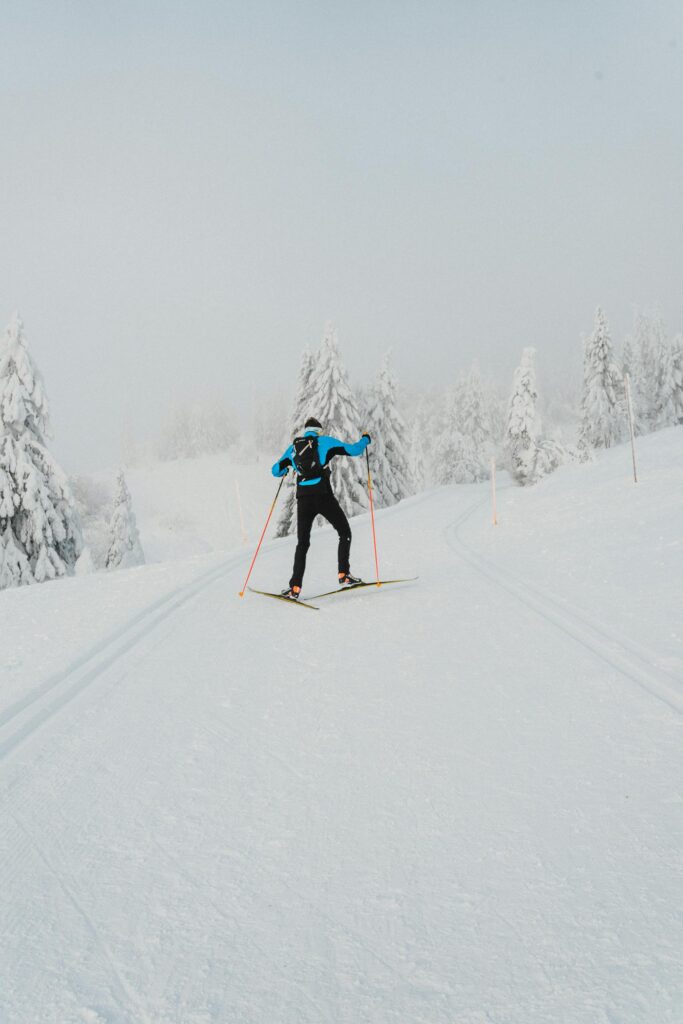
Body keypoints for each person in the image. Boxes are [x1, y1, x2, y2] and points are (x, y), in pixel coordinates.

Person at [272, 417, 371, 599]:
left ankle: (294, 588)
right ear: (319, 430)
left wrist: (285, 469)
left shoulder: (294, 448)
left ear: (306, 431)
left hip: (303, 500)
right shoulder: (324, 442)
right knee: (344, 532)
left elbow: (275, 470)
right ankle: (344, 575)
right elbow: (355, 450)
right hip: (323, 496)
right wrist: (366, 439)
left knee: (302, 543)